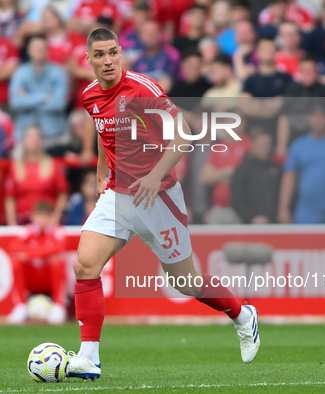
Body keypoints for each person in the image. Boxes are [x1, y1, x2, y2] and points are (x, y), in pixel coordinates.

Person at [63, 28, 260, 380]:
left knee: (186, 283)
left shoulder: (143, 88)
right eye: (100, 55)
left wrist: (154, 176)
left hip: (159, 196)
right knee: (85, 265)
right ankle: (89, 357)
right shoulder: (90, 96)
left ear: (120, 53)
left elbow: (184, 135)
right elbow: (103, 134)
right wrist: (100, 174)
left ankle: (243, 315)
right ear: (89, 60)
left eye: (113, 53)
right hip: (117, 196)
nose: (108, 60)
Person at [7, 201, 68, 325]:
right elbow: (13, 247)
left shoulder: (57, 231)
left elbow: (58, 247)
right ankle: (20, 306)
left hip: (48, 277)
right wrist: (43, 255)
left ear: (51, 217)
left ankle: (58, 306)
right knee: (16, 261)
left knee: (57, 261)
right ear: (33, 217)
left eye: (46, 216)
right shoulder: (27, 232)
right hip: (32, 277)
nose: (42, 220)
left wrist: (29, 254)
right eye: (39, 216)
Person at [8, 35, 69, 152]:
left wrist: (27, 98)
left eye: (42, 48)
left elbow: (59, 104)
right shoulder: (20, 72)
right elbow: (15, 103)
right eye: (36, 48)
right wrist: (44, 97)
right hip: (25, 137)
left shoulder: (59, 72)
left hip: (53, 136)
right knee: (16, 160)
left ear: (47, 51)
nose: (39, 51)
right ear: (29, 51)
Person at [4, 126, 69, 225]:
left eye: (36, 137)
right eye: (30, 137)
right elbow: (9, 198)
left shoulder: (53, 164)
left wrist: (55, 219)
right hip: (22, 222)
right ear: (24, 141)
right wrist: (12, 224)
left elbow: (63, 194)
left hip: (47, 222)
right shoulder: (16, 167)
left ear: (41, 141)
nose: (33, 141)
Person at [230, 128, 281, 224]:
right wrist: (251, 217)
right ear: (252, 144)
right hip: (250, 224)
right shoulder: (243, 169)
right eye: (262, 144)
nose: (266, 147)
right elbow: (237, 197)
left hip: (275, 223)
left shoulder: (276, 168)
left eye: (268, 144)